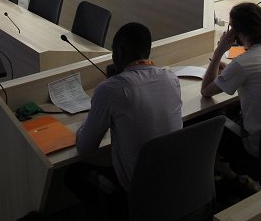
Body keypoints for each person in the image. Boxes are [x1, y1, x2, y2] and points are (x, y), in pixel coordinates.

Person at [69, 23, 181, 212]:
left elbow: (85, 148)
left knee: (71, 174)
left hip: (137, 192)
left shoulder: (111, 90)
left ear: (120, 52)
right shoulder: (171, 78)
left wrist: (86, 121)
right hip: (174, 184)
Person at [201, 2, 261, 158]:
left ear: (236, 33)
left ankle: (229, 173)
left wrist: (218, 53)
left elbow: (206, 91)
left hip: (258, 146)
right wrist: (231, 73)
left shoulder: (244, 63)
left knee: (204, 119)